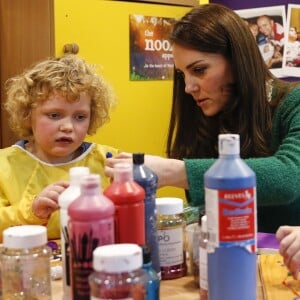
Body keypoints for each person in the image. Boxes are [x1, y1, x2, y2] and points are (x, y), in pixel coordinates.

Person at [105, 3, 300, 234]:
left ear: (237, 61)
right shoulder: (210, 113)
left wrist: (173, 171)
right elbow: (204, 210)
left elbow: (287, 177)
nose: (188, 87)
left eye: (199, 70)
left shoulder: (293, 102)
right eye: (182, 74)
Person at [0, 54, 119, 242]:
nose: (68, 127)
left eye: (80, 117)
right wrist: (32, 211)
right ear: (27, 115)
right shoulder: (4, 165)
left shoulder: (109, 161)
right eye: (54, 115)